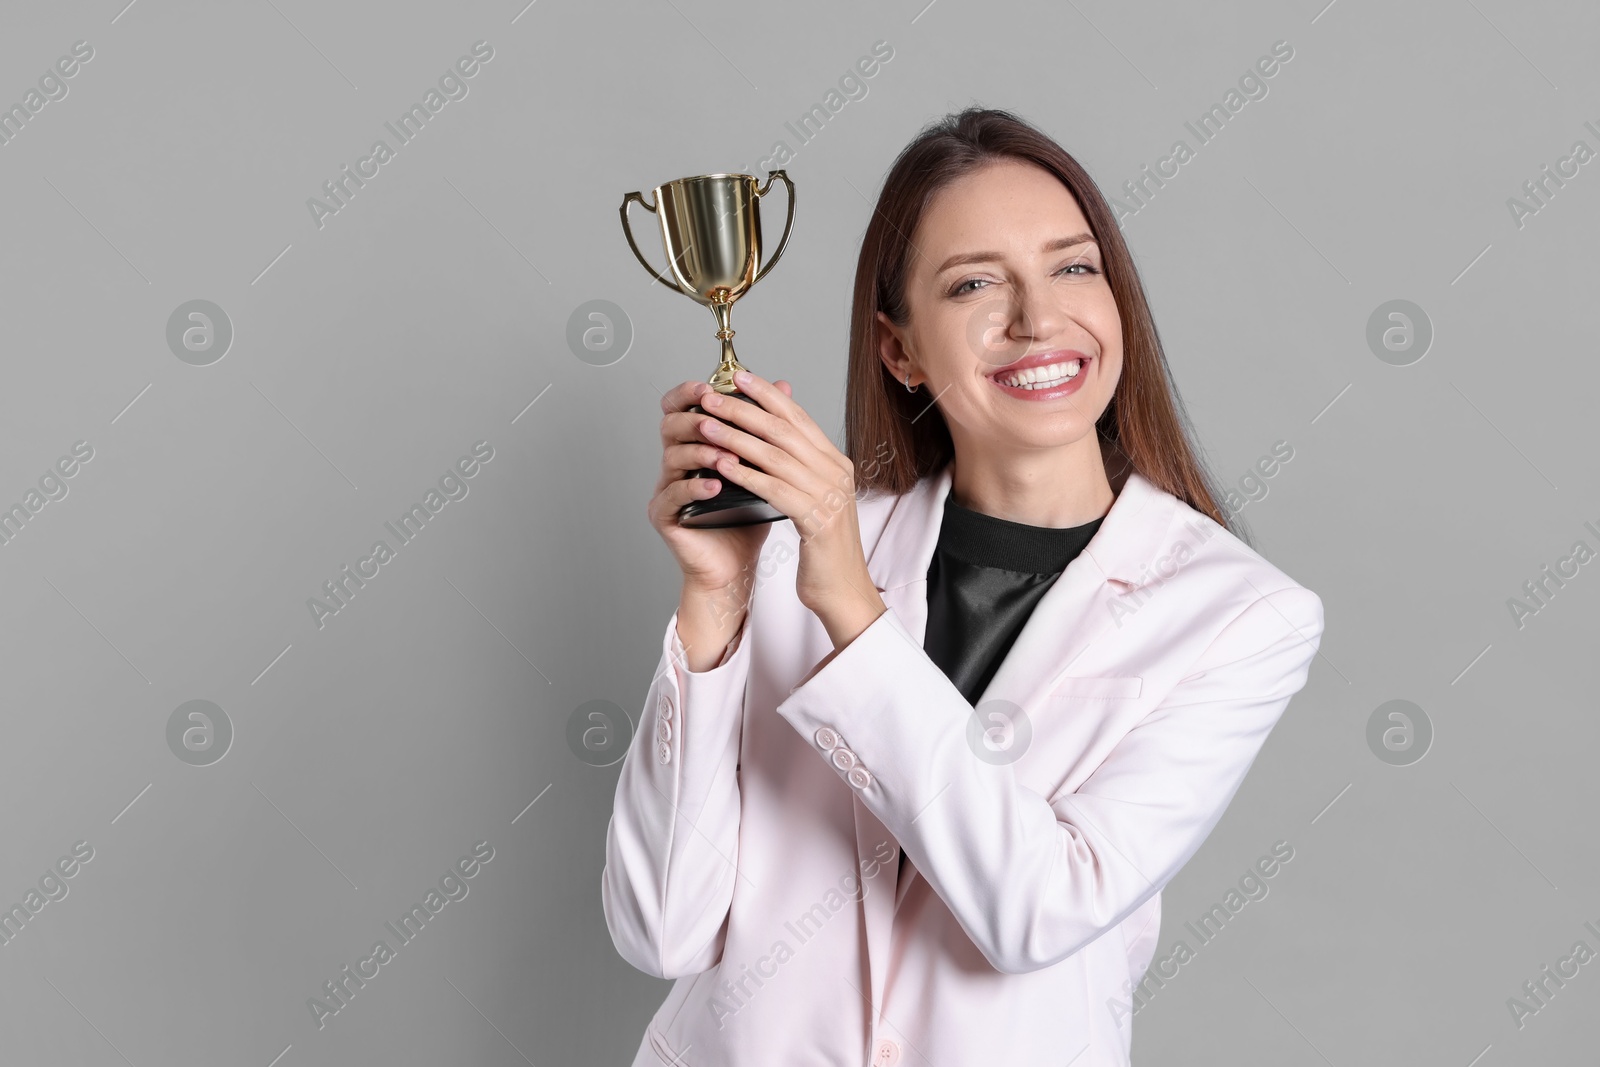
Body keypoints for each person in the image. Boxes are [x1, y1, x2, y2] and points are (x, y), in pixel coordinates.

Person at [602, 106, 1325, 1067]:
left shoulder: (1240, 615)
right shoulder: (794, 545)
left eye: (1073, 267)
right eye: (975, 283)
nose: (1037, 320)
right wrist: (714, 604)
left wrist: (852, 608)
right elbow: (661, 930)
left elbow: (1033, 910)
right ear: (899, 349)